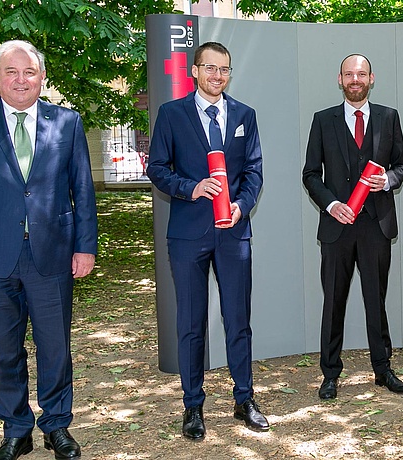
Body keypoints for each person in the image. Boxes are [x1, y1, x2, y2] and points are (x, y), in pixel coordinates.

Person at [0, 40, 97, 460]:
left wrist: (85, 247)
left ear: (42, 77)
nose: (21, 80)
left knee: (54, 346)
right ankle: (16, 428)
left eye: (29, 72)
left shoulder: (67, 122)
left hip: (53, 254)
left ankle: (56, 425)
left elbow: (82, 190)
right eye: (12, 71)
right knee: (3, 348)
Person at [146, 41, 268, 438]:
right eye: (210, 68)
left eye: (225, 69)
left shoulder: (245, 115)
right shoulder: (171, 114)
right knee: (191, 322)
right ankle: (193, 406)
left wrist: (242, 206)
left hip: (233, 233)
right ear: (194, 71)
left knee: (238, 320)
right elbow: (158, 169)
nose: (218, 76)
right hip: (187, 234)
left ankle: (244, 398)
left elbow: (253, 172)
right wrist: (191, 188)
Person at [302, 54, 403, 401]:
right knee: (333, 300)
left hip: (375, 225)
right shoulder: (323, 120)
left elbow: (402, 166)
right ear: (339, 79)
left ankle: (383, 369)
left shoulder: (388, 118)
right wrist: (332, 205)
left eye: (360, 74)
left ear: (371, 78)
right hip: (337, 227)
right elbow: (310, 174)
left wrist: (387, 181)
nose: (355, 79)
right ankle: (330, 373)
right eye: (349, 74)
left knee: (375, 300)